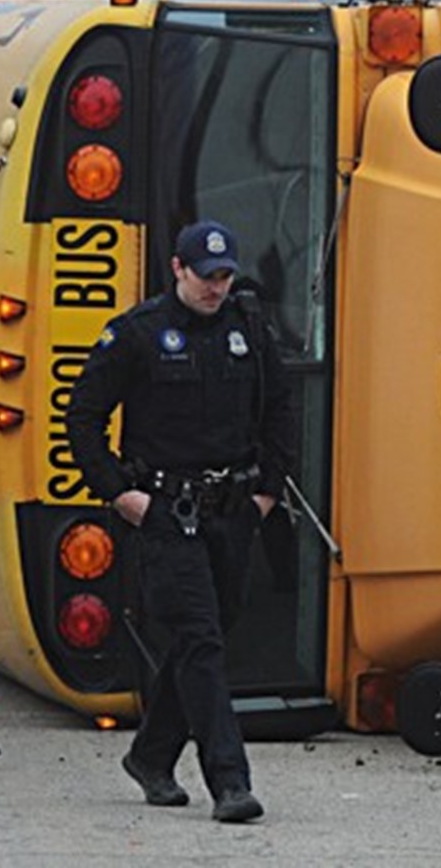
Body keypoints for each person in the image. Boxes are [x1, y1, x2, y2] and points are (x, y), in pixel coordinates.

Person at [64, 220, 298, 825]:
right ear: (177, 269)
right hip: (167, 513)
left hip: (233, 513)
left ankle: (151, 756)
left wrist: (268, 493)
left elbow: (280, 410)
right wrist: (121, 495)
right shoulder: (139, 334)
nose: (216, 287)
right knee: (199, 638)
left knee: (205, 640)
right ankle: (230, 781)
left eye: (225, 276)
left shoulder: (248, 329)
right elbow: (82, 418)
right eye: (205, 275)